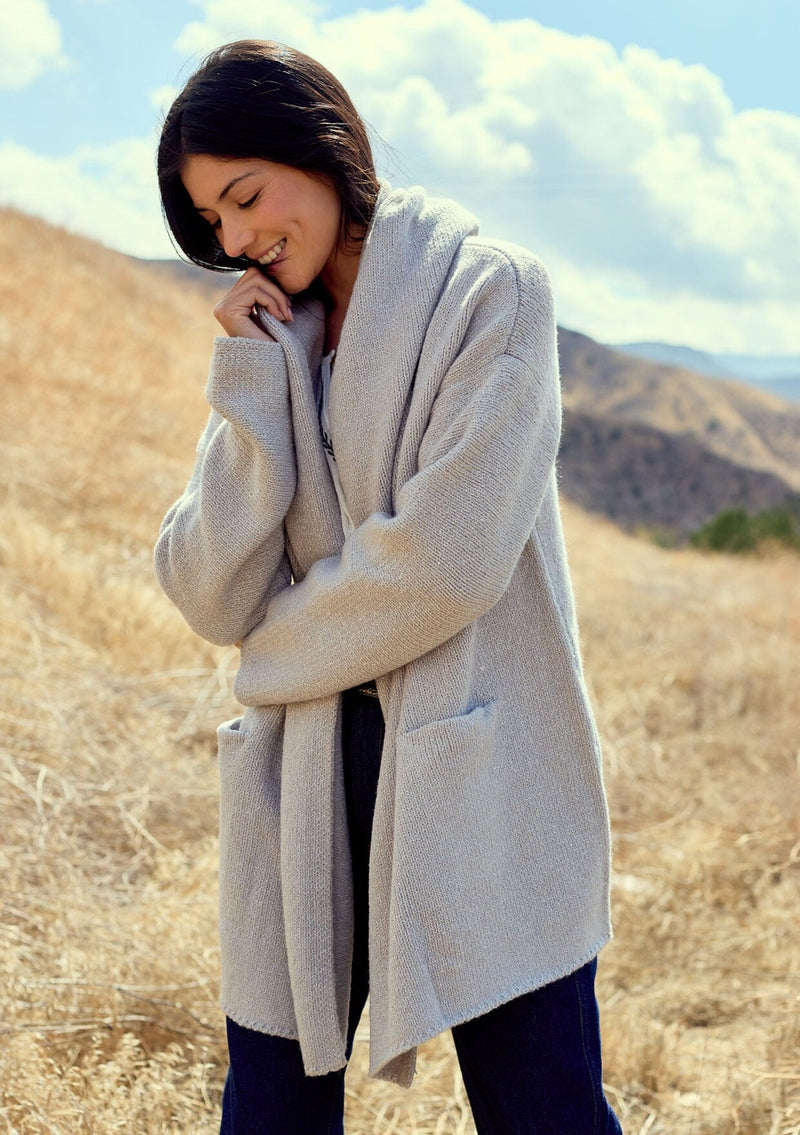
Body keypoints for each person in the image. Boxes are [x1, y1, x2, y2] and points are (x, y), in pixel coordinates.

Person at [154, 38, 623, 1135]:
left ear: (318, 146)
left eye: (244, 198)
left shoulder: (492, 293)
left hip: (479, 763)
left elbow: (443, 564)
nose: (236, 241)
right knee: (268, 1114)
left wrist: (270, 655)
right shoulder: (283, 335)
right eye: (213, 223)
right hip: (307, 768)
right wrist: (251, 384)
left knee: (543, 1109)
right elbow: (206, 590)